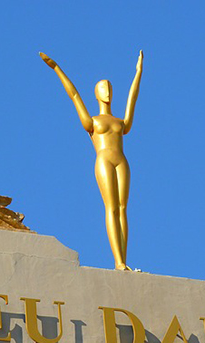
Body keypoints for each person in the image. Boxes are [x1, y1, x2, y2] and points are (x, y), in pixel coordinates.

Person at [40, 51, 143, 270]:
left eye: (110, 88)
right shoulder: (93, 122)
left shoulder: (121, 122)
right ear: (96, 94)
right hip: (104, 160)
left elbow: (132, 98)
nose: (108, 92)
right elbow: (74, 95)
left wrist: (138, 73)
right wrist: (57, 68)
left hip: (121, 161)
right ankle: (118, 261)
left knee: (123, 208)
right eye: (103, 88)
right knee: (111, 208)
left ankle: (123, 261)